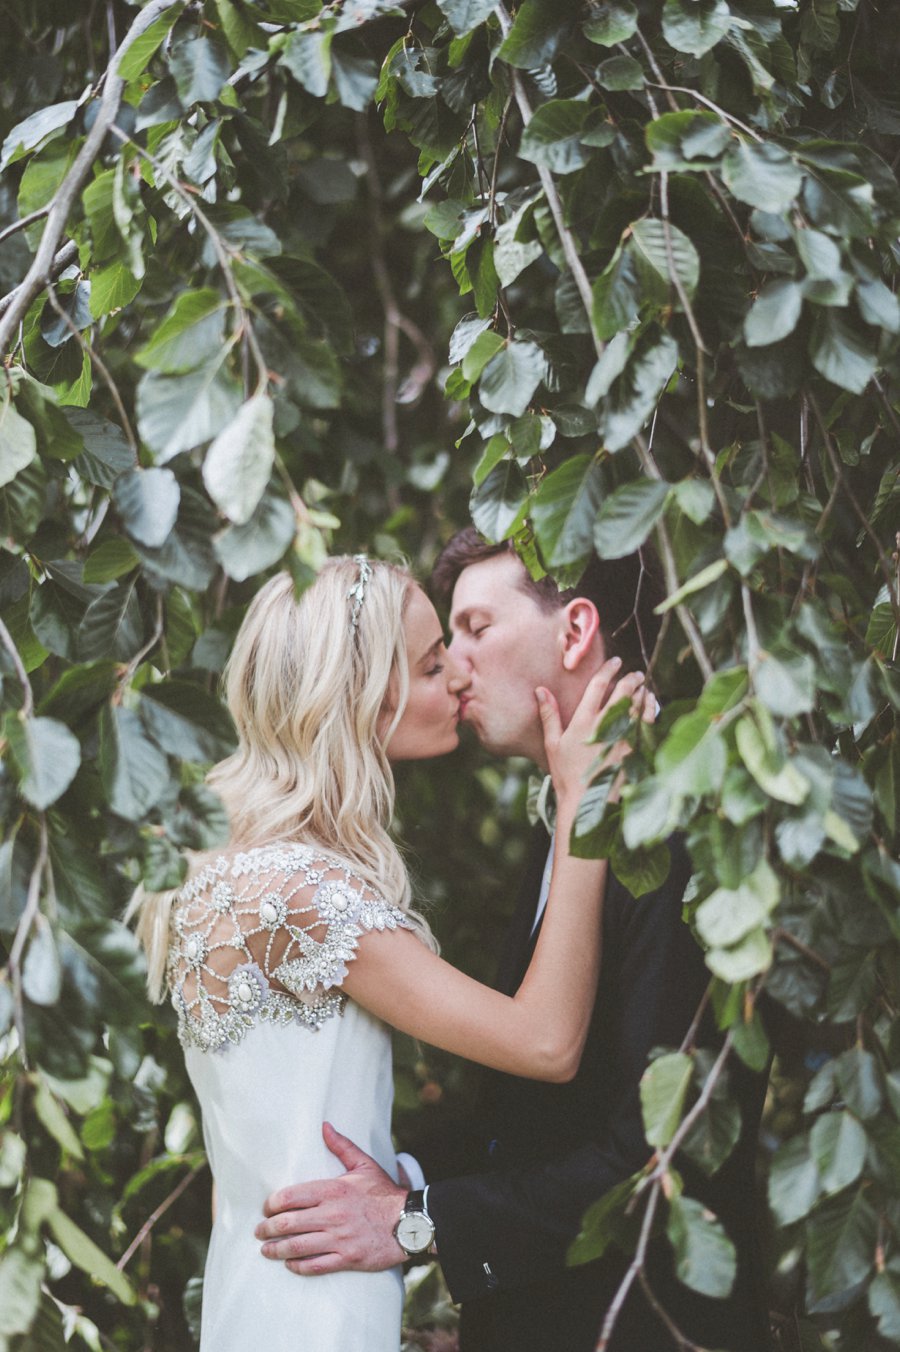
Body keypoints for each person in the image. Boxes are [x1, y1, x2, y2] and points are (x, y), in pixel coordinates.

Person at [255, 532, 772, 1352]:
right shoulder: (571, 814)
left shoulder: (680, 840)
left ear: (574, 632)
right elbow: (532, 1122)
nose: (455, 667)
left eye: (475, 628)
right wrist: (407, 1186)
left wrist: (419, 1222)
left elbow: (660, 1156)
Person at [132, 556, 648, 1352]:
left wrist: (405, 1194)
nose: (458, 680)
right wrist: (587, 809)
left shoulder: (241, 868)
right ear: (365, 695)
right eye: (434, 663)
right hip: (317, 1303)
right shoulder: (302, 891)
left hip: (266, 1281)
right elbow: (545, 1042)